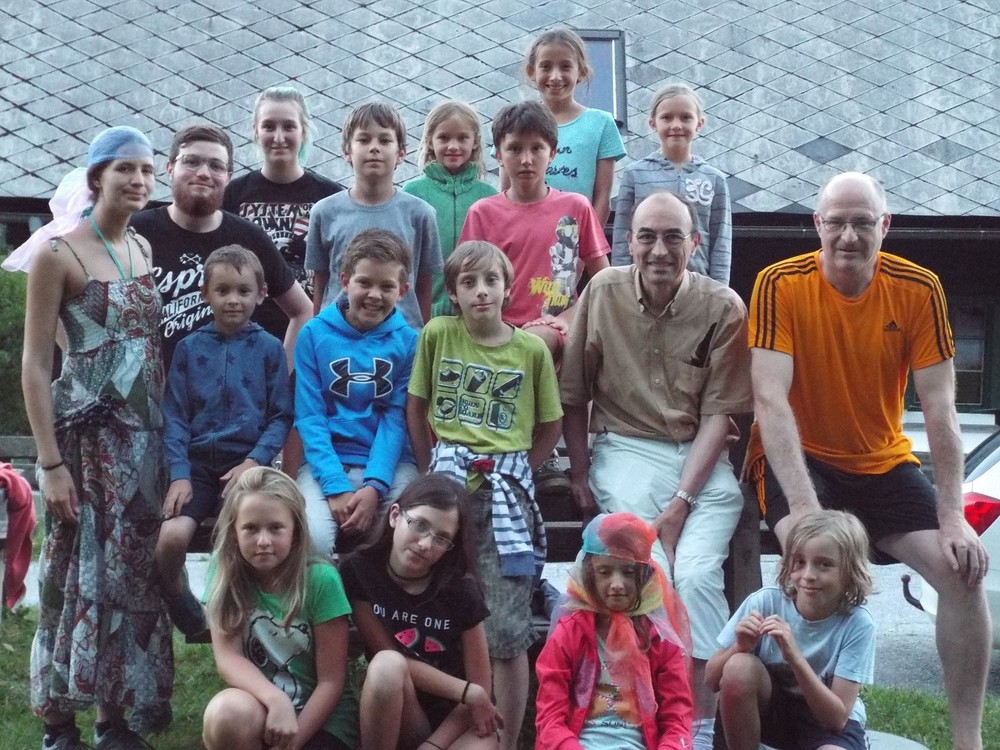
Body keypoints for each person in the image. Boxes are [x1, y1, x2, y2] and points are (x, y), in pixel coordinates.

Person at [745, 171, 990, 750]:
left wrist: (953, 516)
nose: (849, 236)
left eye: (862, 223)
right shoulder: (779, 283)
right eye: (837, 223)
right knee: (815, 564)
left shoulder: (919, 287)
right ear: (817, 225)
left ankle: (968, 740)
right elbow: (769, 400)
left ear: (885, 226)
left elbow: (941, 409)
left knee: (963, 574)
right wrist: (806, 509)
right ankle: (812, 719)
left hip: (883, 463)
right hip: (802, 460)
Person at [560, 191, 752, 750]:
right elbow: (574, 393)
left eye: (673, 237)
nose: (660, 250)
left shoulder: (723, 307)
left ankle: (698, 730)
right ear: (629, 242)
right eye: (647, 236)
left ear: (695, 243)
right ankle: (646, 722)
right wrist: (579, 473)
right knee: (656, 572)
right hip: (626, 449)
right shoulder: (603, 291)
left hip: (700, 458)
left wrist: (681, 503)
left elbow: (720, 416)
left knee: (696, 574)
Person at [15, 126, 169, 750]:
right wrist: (49, 464)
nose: (138, 180)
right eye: (125, 168)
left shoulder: (143, 247)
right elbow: (35, 363)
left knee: (130, 573)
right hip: (86, 445)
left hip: (144, 440)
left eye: (147, 170)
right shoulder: (59, 254)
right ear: (96, 176)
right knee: (76, 571)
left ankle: (114, 714)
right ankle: (59, 722)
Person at [406, 241, 563, 750]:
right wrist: (430, 469)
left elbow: (551, 424)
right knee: (435, 601)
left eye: (491, 280)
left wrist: (518, 471)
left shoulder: (530, 350)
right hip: (446, 489)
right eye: (468, 283)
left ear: (507, 288)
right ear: (452, 292)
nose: (481, 291)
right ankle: (432, 722)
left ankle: (509, 738)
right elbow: (417, 406)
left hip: (503, 499)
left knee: (506, 624)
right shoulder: (438, 334)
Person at [158, 245, 293, 638]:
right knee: (170, 539)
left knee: (236, 542)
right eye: (223, 290)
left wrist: (254, 461)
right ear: (206, 294)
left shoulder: (269, 348)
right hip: (197, 468)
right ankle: (185, 610)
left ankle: (244, 623)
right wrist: (179, 473)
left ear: (261, 294)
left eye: (243, 291)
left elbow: (281, 416)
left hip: (247, 468)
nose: (233, 299)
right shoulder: (189, 349)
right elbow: (174, 416)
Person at [223, 86, 345, 479]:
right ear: (255, 131)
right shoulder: (234, 195)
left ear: (304, 130)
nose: (279, 136)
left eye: (288, 126)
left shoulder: (329, 197)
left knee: (297, 438)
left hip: (309, 341)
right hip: (245, 340)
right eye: (269, 126)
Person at [130, 123, 312, 371]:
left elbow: (303, 311)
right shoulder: (134, 232)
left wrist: (278, 380)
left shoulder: (250, 238)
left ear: (228, 177)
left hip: (229, 392)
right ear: (169, 169)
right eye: (191, 162)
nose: (203, 173)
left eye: (216, 165)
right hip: (149, 391)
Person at [201, 467, 358, 750]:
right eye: (251, 528)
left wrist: (291, 743)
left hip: (322, 718)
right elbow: (228, 657)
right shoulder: (224, 571)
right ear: (234, 531)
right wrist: (276, 700)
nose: (263, 541)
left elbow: (331, 682)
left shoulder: (321, 579)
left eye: (275, 528)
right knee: (224, 715)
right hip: (263, 706)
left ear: (295, 531)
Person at [340, 474, 501, 750]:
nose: (426, 544)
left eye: (442, 538)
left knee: (482, 746)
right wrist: (467, 691)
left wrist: (433, 746)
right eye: (420, 525)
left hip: (454, 716)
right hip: (394, 703)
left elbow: (481, 689)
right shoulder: (359, 571)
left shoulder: (462, 590)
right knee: (387, 665)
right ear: (395, 516)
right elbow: (388, 653)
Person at [295, 229, 419, 557]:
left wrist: (375, 486)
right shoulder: (313, 335)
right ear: (345, 280)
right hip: (325, 464)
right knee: (313, 538)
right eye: (364, 282)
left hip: (390, 466)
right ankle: (327, 592)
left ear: (402, 291)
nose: (374, 295)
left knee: (405, 529)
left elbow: (395, 418)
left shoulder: (409, 343)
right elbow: (310, 417)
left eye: (386, 286)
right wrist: (335, 486)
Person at [706, 511, 876, 750]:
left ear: (850, 571)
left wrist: (794, 657)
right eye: (799, 562)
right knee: (738, 666)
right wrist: (739, 646)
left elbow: (836, 720)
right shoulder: (765, 602)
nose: (808, 576)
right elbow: (711, 680)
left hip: (827, 725)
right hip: (772, 715)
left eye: (824, 564)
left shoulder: (857, 623)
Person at [459, 101, 609, 362]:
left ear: (552, 153)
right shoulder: (482, 213)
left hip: (554, 329)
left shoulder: (576, 207)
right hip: (495, 328)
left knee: (533, 345)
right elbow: (465, 281)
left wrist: (570, 316)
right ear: (498, 155)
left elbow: (604, 280)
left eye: (537, 148)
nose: (526, 160)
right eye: (515, 149)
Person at [535, 512, 694, 750]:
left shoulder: (660, 640)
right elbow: (549, 718)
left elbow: (678, 720)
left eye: (628, 572)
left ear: (644, 575)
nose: (617, 584)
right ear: (589, 575)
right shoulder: (569, 634)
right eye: (605, 572)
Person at [305, 101, 443, 328]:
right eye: (364, 139)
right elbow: (321, 282)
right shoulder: (324, 212)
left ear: (401, 153)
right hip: (338, 334)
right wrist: (318, 331)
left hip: (399, 338)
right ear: (347, 151)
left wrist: (421, 337)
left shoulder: (421, 215)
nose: (374, 148)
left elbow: (423, 286)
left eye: (385, 140)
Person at [611, 83, 731, 285]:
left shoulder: (714, 179)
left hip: (698, 288)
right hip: (644, 287)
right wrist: (621, 286)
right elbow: (623, 238)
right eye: (667, 118)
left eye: (685, 117)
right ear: (653, 123)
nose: (676, 125)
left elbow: (721, 243)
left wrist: (720, 290)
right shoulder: (635, 175)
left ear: (699, 123)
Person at [506, 28, 625, 227]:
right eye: (546, 66)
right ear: (531, 71)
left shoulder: (601, 124)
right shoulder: (515, 122)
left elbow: (602, 199)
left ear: (581, 72)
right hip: (523, 234)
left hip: (576, 238)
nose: (555, 76)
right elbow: (505, 192)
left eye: (565, 67)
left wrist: (587, 242)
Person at [402, 99, 497, 317]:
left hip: (476, 314)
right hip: (423, 314)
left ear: (475, 141)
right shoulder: (412, 194)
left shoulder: (489, 196)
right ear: (430, 141)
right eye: (444, 138)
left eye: (462, 138)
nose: (453, 146)